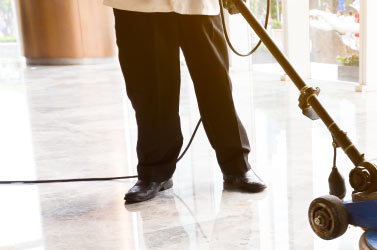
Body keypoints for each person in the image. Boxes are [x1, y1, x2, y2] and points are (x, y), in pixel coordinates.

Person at [103, 0, 266, 203]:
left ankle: (237, 167)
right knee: (149, 88)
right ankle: (154, 173)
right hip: (140, 6)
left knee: (216, 84)